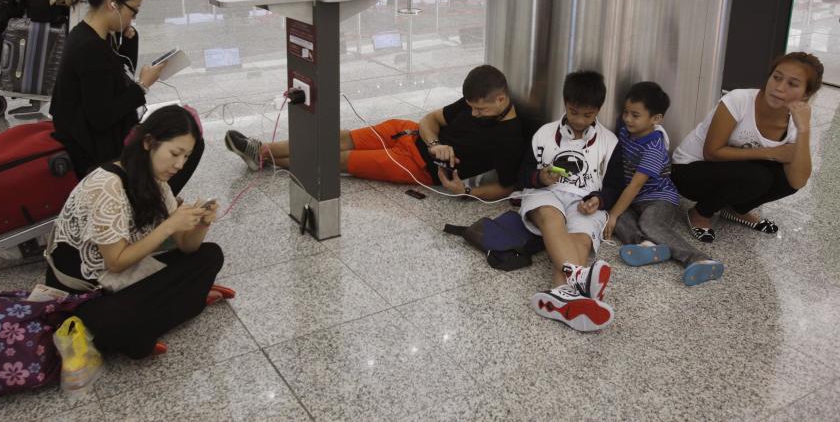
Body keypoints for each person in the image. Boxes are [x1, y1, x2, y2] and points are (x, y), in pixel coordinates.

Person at [45, 106, 229, 359]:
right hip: (82, 293)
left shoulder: (158, 183)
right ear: (148, 142)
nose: (179, 165)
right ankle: (185, 302)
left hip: (119, 279)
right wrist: (170, 224)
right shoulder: (107, 185)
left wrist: (202, 223)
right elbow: (116, 262)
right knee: (115, 323)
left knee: (210, 255)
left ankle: (170, 310)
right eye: (175, 153)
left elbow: (188, 247)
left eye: (186, 157)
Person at [223, 65, 527, 200]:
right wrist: (434, 142)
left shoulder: (510, 138)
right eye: (472, 108)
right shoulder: (475, 101)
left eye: (480, 110)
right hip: (407, 133)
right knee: (341, 137)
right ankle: (261, 149)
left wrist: (466, 191)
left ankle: (265, 160)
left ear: (501, 99)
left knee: (338, 160)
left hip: (417, 167)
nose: (474, 113)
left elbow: (507, 186)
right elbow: (430, 119)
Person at [50, 0, 201, 196]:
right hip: (96, 151)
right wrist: (142, 87)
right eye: (134, 10)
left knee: (181, 124)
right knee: (189, 139)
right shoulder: (90, 49)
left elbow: (121, 72)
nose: (134, 16)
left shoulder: (92, 34)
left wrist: (128, 35)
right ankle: (148, 202)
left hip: (101, 136)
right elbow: (101, 117)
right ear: (113, 3)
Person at [672, 52, 822, 242]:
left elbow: (798, 181)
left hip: (737, 173)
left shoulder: (796, 120)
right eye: (776, 78)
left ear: (806, 94)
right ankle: (700, 213)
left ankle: (736, 209)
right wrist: (771, 153)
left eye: (792, 84)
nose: (779, 88)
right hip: (689, 171)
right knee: (758, 176)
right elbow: (711, 152)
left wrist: (804, 130)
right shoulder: (739, 100)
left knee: (786, 178)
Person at [514, 70, 617, 332]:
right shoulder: (544, 134)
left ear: (598, 110)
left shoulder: (610, 142)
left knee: (581, 240)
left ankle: (561, 296)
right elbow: (522, 175)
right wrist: (540, 177)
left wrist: (598, 199)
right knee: (551, 219)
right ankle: (580, 278)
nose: (580, 120)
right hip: (546, 194)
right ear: (564, 103)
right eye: (574, 112)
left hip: (584, 201)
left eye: (588, 115)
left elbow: (616, 186)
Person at [602, 82, 723, 286]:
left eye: (635, 115)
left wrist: (613, 214)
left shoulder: (654, 147)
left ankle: (699, 259)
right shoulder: (625, 131)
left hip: (659, 198)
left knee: (648, 222)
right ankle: (644, 245)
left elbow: (636, 185)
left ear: (656, 119)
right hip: (633, 199)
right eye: (625, 112)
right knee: (615, 216)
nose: (627, 119)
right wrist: (613, 214)